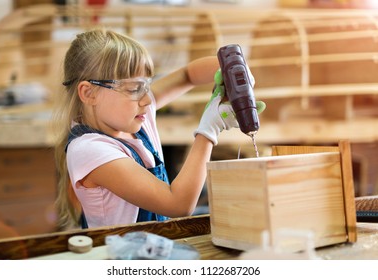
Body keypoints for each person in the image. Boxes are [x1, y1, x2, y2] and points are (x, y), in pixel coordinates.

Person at [52, 28, 265, 230]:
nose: (147, 99)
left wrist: (229, 70)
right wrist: (208, 131)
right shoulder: (90, 150)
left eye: (147, 85)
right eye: (135, 88)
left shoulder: (134, 115)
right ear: (89, 94)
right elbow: (178, 204)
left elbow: (188, 75)